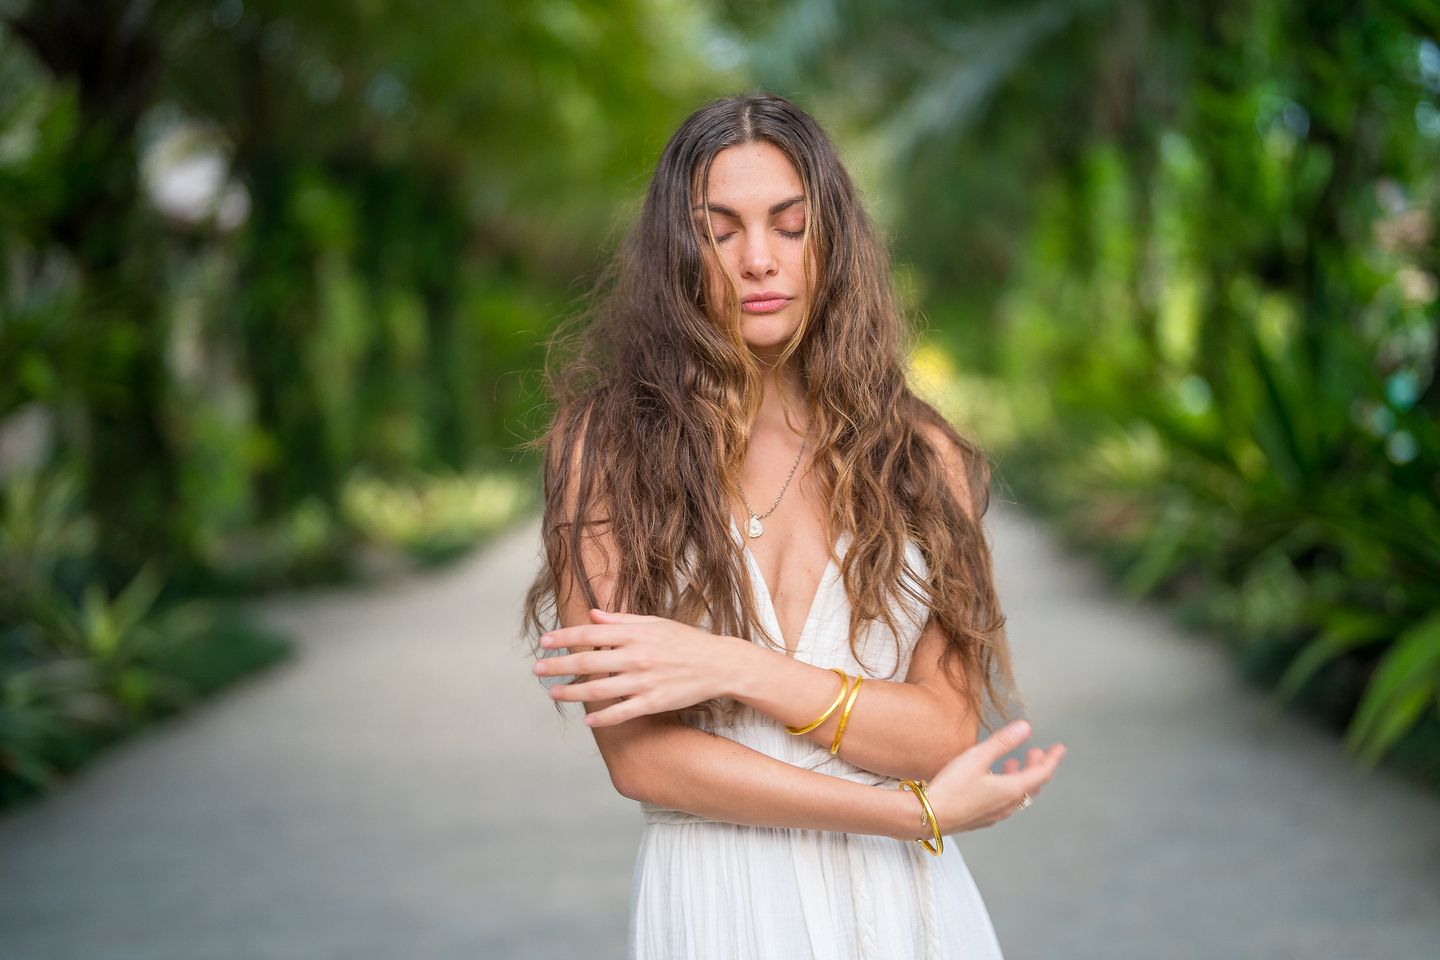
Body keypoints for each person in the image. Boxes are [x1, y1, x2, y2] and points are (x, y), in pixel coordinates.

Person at [521, 91, 1066, 960]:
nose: (758, 260)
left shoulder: (919, 456)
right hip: (717, 906)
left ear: (831, 241)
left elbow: (942, 732)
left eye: (789, 224)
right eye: (720, 230)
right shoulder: (607, 448)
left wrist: (733, 665)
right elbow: (642, 760)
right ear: (677, 252)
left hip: (906, 914)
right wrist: (910, 815)